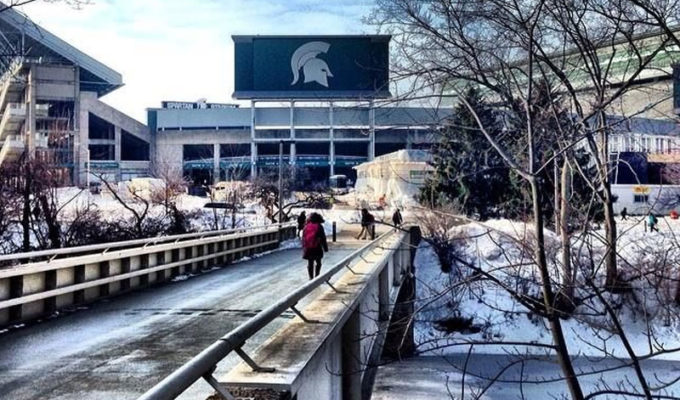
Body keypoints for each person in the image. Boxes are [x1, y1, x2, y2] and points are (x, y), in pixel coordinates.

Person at [302, 212, 329, 280]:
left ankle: (311, 278)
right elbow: (323, 238)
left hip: (308, 248)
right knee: (318, 262)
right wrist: (325, 248)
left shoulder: (306, 226)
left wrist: (304, 247)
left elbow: (303, 237)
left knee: (310, 263)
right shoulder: (319, 226)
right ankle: (317, 277)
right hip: (317, 247)